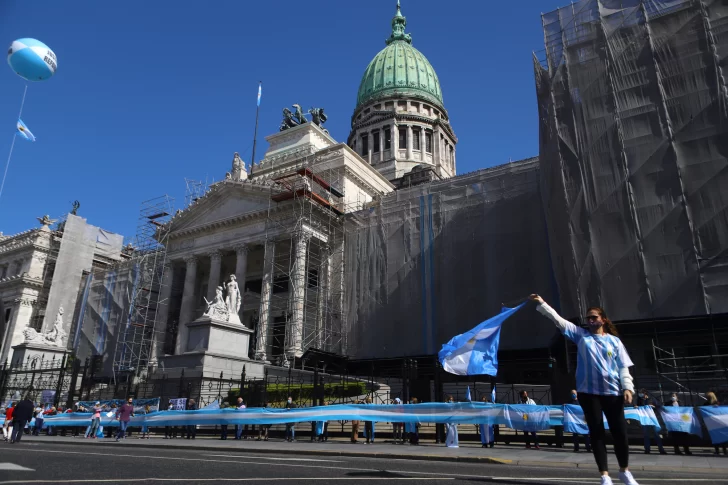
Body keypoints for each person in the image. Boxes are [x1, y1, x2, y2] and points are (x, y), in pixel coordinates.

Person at [531, 294, 639, 485]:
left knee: (620, 433)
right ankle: (605, 475)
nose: (590, 320)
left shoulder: (614, 342)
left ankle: (624, 471)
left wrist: (627, 388)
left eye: (594, 317)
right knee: (596, 432)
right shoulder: (581, 336)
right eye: (588, 318)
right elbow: (558, 320)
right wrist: (542, 303)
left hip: (612, 393)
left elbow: (623, 367)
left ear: (603, 320)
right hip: (588, 393)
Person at [638, 389, 666, 455]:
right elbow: (639, 407)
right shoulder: (640, 400)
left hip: (652, 419)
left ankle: (661, 449)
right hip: (645, 419)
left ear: (645, 393)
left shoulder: (652, 399)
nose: (640, 395)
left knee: (656, 434)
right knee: (646, 435)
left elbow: (659, 406)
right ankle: (647, 449)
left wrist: (654, 406)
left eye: (641, 393)